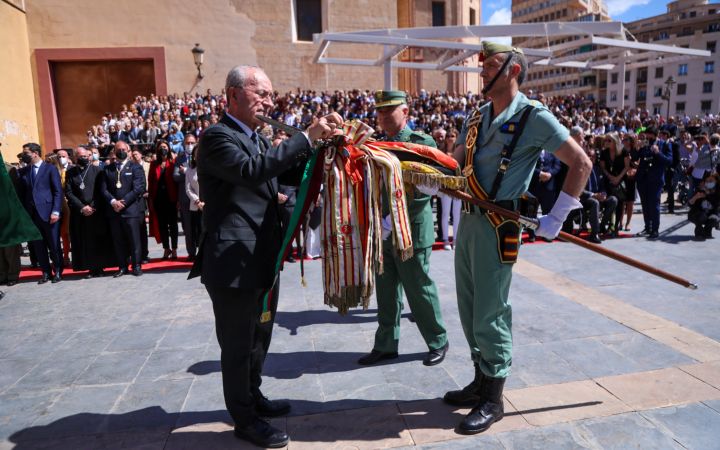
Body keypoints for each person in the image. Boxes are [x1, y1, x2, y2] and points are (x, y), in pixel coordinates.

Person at [189, 65, 342, 448]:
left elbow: (281, 174)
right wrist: (306, 136)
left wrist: (323, 149)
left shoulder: (257, 139)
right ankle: (244, 418)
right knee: (238, 344)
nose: (269, 102)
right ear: (233, 95)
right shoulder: (216, 137)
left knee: (260, 336)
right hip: (232, 263)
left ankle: (253, 396)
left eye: (271, 96)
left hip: (260, 259)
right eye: (261, 94)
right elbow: (253, 172)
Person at [446, 42, 591, 435]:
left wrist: (558, 214)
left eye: (490, 65)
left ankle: (494, 396)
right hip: (470, 218)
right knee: (469, 305)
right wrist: (432, 176)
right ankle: (480, 380)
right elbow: (456, 160)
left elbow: (581, 162)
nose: (481, 72)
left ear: (512, 70)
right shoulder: (476, 116)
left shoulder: (533, 117)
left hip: (500, 222)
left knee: (491, 309)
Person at [357, 90, 449, 367]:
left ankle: (438, 340)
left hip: (410, 228)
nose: (383, 116)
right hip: (382, 231)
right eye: (380, 111)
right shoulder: (374, 144)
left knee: (418, 288)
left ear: (405, 112)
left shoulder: (420, 143)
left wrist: (393, 218)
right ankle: (386, 344)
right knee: (386, 291)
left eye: (389, 110)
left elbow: (426, 187)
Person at [16, 143, 65, 284]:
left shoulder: (50, 169)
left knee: (54, 245)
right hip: (32, 215)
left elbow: (57, 192)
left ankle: (58, 270)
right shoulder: (24, 171)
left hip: (49, 214)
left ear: (35, 153)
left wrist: (56, 211)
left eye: (26, 152)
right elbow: (23, 193)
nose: (24, 155)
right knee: (39, 246)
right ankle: (45, 272)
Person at [65, 146, 115, 277]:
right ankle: (90, 267)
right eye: (81, 156)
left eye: (86, 156)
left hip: (96, 211)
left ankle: (101, 267)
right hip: (80, 213)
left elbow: (101, 191)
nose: (84, 158)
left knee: (98, 239)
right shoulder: (70, 172)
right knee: (85, 241)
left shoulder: (97, 170)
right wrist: (82, 207)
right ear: (75, 157)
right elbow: (69, 192)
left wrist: (92, 206)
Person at [99, 141, 146, 277]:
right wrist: (113, 202)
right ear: (114, 151)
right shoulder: (107, 169)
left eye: (123, 149)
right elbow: (103, 189)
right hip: (114, 211)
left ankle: (136, 265)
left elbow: (138, 188)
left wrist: (123, 203)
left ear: (128, 150)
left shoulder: (135, 167)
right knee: (118, 240)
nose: (121, 151)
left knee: (134, 239)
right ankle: (122, 266)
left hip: (130, 210)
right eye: (118, 149)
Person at [635, 127, 672, 239]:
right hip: (643, 179)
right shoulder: (645, 144)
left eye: (649, 136)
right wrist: (637, 149)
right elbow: (635, 158)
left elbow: (669, 161)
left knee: (654, 205)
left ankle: (655, 229)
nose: (647, 138)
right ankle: (648, 227)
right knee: (645, 205)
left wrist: (657, 152)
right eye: (646, 136)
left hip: (655, 180)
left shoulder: (664, 145)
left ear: (655, 135)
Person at [148, 140, 179, 259]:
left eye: (165, 147)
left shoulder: (173, 162)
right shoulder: (153, 163)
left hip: (171, 198)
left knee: (173, 225)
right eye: (161, 147)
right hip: (158, 199)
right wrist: (151, 199)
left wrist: (178, 200)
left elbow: (176, 183)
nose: (163, 149)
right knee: (162, 225)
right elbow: (150, 182)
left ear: (169, 148)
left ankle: (175, 249)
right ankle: (167, 249)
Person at [598, 131, 629, 236]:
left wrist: (618, 178)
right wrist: (610, 176)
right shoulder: (604, 152)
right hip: (608, 180)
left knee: (620, 204)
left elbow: (626, 166)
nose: (606, 142)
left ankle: (616, 226)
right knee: (611, 202)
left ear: (615, 141)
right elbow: (603, 167)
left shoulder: (623, 151)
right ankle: (607, 225)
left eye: (609, 140)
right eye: (605, 140)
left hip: (621, 180)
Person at [174, 134, 197, 259]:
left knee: (201, 226)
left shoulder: (200, 156)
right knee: (187, 227)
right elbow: (176, 176)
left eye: (192, 142)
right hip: (185, 198)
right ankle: (191, 253)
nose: (190, 145)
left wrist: (186, 171)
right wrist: (189, 173)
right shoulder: (179, 158)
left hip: (199, 198)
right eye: (188, 143)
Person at [184, 144, 203, 260]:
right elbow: (188, 189)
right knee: (197, 232)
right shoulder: (190, 171)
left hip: (209, 206)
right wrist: (197, 200)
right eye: (196, 154)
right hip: (196, 206)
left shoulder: (211, 169)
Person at [688, 172, 719, 240]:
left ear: (716, 181)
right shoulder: (700, 190)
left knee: (714, 218)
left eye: (711, 181)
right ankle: (698, 230)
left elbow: (716, 204)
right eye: (707, 181)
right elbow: (690, 204)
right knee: (701, 216)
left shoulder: (717, 192)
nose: (708, 183)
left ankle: (708, 230)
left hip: (712, 214)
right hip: (699, 214)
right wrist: (696, 197)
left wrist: (708, 194)